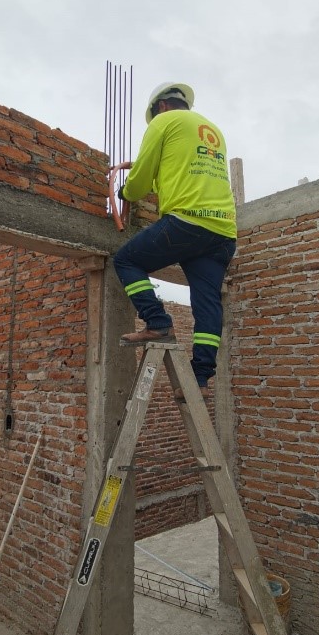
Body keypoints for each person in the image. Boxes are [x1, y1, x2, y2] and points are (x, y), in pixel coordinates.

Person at [113, 82, 237, 398]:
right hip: (222, 232)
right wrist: (148, 171)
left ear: (161, 107)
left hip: (187, 221)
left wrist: (125, 190)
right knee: (207, 302)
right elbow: (180, 171)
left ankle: (158, 322)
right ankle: (200, 378)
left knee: (126, 260)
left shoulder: (163, 122)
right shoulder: (212, 130)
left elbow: (139, 185)